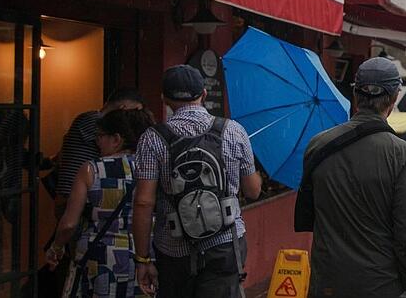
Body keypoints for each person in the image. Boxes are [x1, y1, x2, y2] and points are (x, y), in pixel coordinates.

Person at [132, 65, 261, 298]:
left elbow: (143, 203)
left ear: (164, 98)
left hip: (174, 249)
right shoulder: (233, 131)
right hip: (224, 244)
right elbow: (253, 191)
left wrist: (142, 259)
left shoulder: (152, 138)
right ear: (203, 93)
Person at [300, 57, 406, 298]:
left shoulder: (318, 145)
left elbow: (311, 213)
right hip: (380, 285)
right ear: (394, 98)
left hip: (327, 282)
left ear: (356, 95)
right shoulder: (402, 155)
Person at [47, 108, 155, 297]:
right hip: (142, 257)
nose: (98, 142)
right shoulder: (149, 168)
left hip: (100, 259)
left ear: (116, 139)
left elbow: (69, 223)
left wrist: (56, 248)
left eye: (100, 136)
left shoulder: (91, 170)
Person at [56, 89, 146, 215]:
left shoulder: (86, 120)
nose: (134, 118)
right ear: (123, 108)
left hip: (76, 193)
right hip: (75, 195)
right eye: (134, 113)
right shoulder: (95, 121)